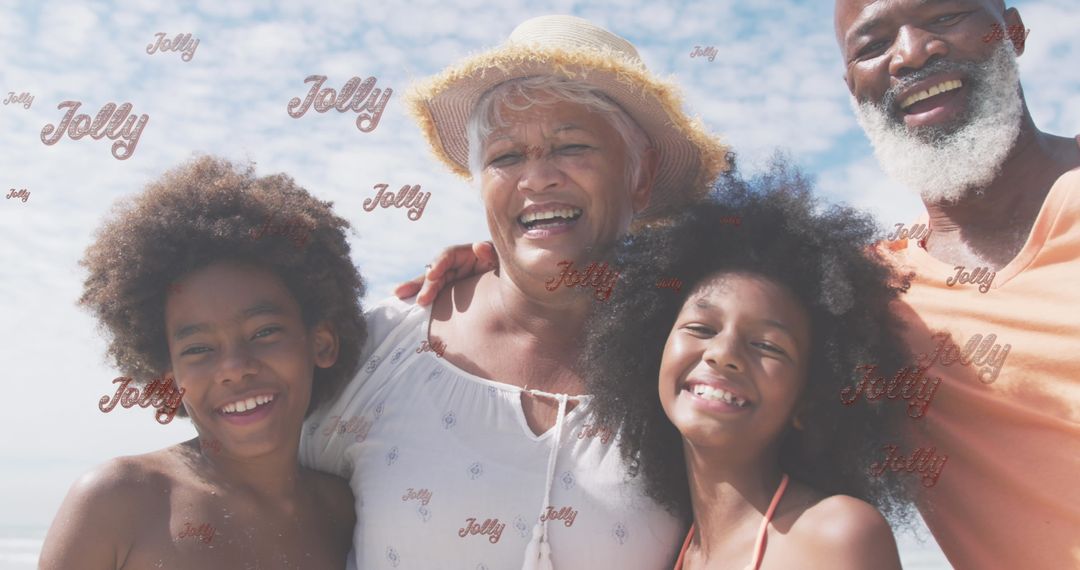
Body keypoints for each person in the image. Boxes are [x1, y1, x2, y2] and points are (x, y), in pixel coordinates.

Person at [300, 14, 728, 569]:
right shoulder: (376, 351)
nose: (537, 178)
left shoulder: (694, 366)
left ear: (640, 175)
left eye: (572, 146)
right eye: (505, 156)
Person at [834, 0, 1080, 567]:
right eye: (872, 45)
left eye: (945, 17)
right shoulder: (860, 301)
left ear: (1012, 32)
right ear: (853, 88)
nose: (913, 52)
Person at [581, 166, 913, 570]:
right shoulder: (669, 549)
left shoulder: (836, 534)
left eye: (767, 345)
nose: (723, 353)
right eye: (701, 328)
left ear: (809, 399)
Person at [39, 156, 362, 569]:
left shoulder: (343, 512)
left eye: (264, 332)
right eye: (198, 349)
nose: (233, 366)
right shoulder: (118, 502)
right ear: (169, 379)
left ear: (321, 343)